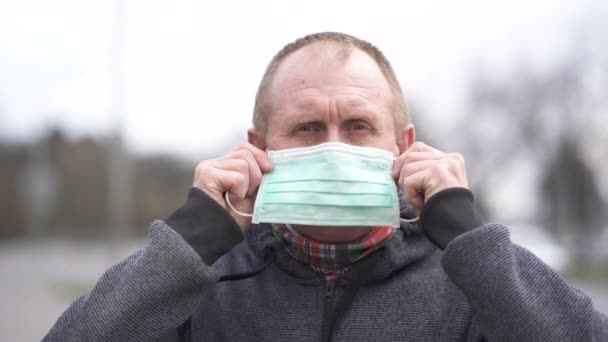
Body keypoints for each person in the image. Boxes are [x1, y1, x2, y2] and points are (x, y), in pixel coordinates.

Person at [44, 32, 607, 341]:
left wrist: (471, 241)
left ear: (403, 147)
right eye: (308, 128)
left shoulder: (471, 282)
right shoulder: (201, 284)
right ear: (259, 148)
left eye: (359, 127)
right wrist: (187, 245)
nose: (336, 148)